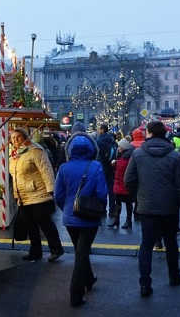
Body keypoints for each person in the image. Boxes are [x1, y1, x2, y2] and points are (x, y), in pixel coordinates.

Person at [124, 121, 180, 296]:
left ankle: (145, 284)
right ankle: (174, 275)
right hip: (169, 207)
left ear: (151, 134)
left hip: (147, 207)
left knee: (146, 244)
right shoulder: (174, 155)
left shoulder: (138, 154)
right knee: (171, 243)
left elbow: (128, 180)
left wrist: (138, 197)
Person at [54, 131, 107, 307]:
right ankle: (75, 295)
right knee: (81, 253)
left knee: (80, 250)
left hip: (71, 218)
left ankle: (89, 278)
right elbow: (102, 193)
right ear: (91, 149)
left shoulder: (64, 168)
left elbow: (58, 195)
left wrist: (67, 210)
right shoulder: (96, 166)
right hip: (89, 217)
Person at [9, 128, 65, 262]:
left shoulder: (35, 150)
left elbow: (46, 170)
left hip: (38, 193)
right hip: (24, 196)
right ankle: (35, 252)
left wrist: (51, 189)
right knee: (30, 225)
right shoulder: (15, 155)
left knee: (45, 223)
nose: (15, 140)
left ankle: (56, 250)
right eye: (13, 138)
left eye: (18, 137)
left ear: (25, 137)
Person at [110, 138, 134, 229]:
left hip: (125, 184)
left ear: (124, 147)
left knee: (128, 203)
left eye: (119, 146)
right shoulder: (119, 156)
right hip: (118, 183)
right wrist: (114, 165)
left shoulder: (128, 158)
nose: (118, 148)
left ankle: (128, 221)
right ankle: (116, 220)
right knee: (118, 202)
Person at [95, 123, 118, 217]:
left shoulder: (99, 141)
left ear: (102, 130)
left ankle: (102, 209)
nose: (98, 131)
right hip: (111, 167)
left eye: (99, 129)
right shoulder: (112, 140)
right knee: (111, 189)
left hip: (101, 167)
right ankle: (112, 209)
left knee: (102, 189)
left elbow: (96, 154)